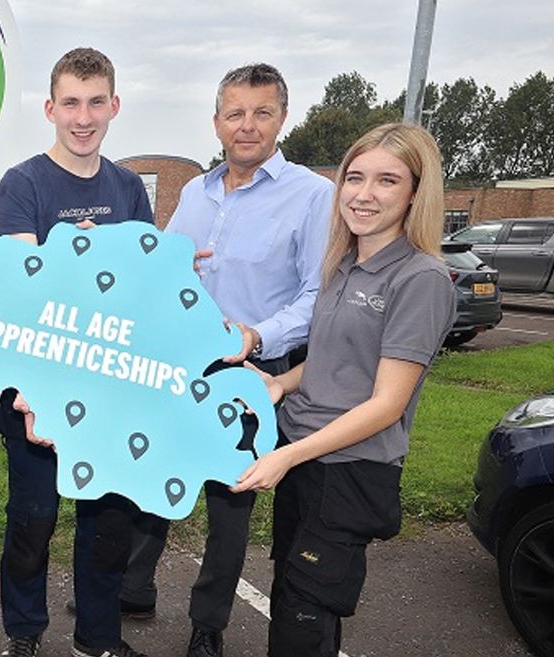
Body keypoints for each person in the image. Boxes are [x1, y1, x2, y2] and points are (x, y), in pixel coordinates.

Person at [128, 63, 333, 657]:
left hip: (249, 372)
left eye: (261, 112)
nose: (247, 126)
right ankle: (134, 587)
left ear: (282, 119)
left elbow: (317, 295)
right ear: (217, 121)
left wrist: (255, 337)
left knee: (229, 501)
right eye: (235, 113)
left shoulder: (312, 196)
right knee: (153, 474)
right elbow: (165, 266)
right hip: (180, 362)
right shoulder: (194, 191)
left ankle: (207, 624)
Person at [232, 122, 456, 656]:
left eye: (386, 181)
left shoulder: (420, 279)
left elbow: (386, 404)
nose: (364, 194)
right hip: (308, 463)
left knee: (301, 622)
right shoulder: (342, 265)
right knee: (294, 605)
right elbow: (331, 362)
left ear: (415, 193)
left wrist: (288, 456)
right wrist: (279, 384)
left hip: (349, 472)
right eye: (354, 178)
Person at [0, 47, 154, 657]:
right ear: (50, 108)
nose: (83, 118)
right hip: (35, 393)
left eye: (95, 103)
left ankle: (98, 639)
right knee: (32, 523)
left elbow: (138, 289)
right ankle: (24, 634)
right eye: (71, 104)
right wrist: (76, 255)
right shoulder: (23, 183)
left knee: (107, 528)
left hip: (107, 392)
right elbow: (21, 287)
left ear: (113, 106)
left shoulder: (129, 187)